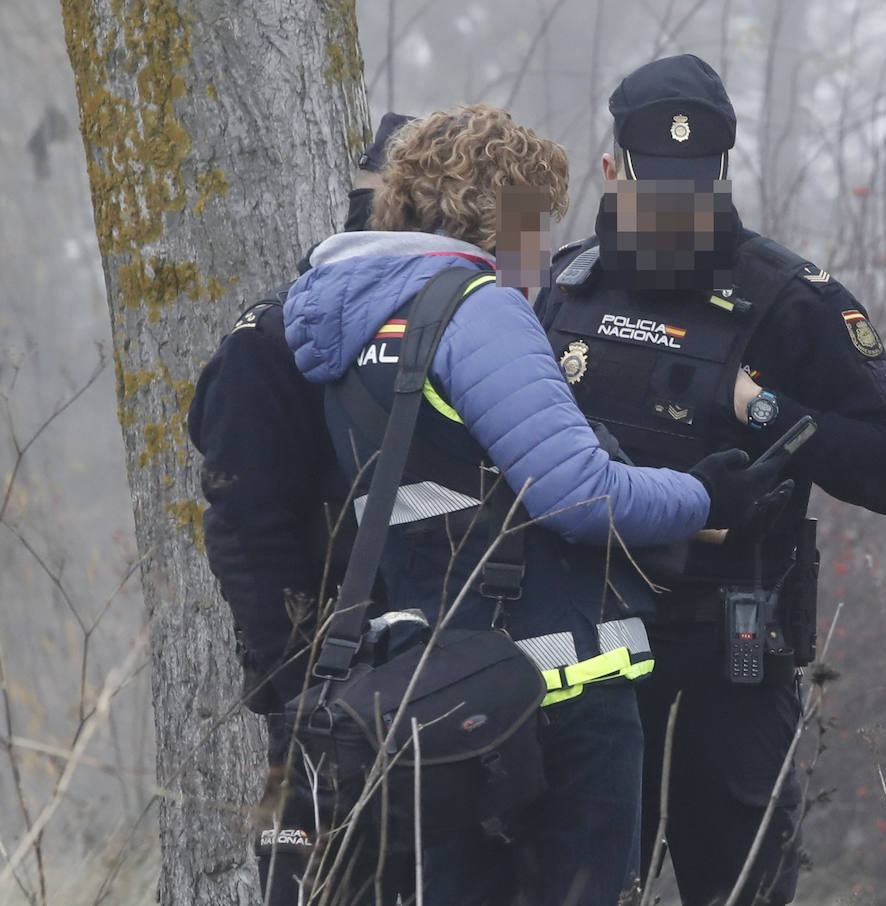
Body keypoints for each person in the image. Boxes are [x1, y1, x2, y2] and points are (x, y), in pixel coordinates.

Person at [282, 104, 789, 906]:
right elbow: (579, 493)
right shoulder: (474, 307)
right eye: (534, 218)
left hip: (433, 694)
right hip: (554, 696)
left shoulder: (351, 312)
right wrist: (702, 495)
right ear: (494, 209)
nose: (543, 247)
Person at [535, 55, 886, 905]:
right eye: (657, 193)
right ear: (611, 172)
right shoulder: (561, 289)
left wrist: (767, 413)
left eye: (695, 194)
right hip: (584, 667)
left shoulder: (790, 299)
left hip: (729, 673)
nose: (678, 214)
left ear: (723, 176)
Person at [187, 112, 416, 905]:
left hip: (435, 684)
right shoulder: (274, 335)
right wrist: (296, 679)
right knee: (307, 885)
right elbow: (241, 520)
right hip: (317, 692)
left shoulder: (461, 326)